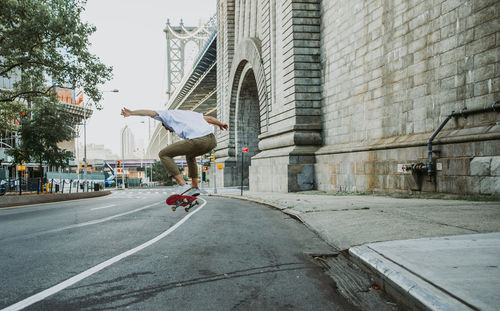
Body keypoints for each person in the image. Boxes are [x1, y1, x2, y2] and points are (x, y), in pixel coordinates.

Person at [121, 108, 228, 196]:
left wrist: (132, 113)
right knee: (190, 157)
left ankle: (182, 184)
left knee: (163, 154)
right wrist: (220, 124)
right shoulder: (190, 114)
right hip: (212, 141)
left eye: (167, 129)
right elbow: (209, 118)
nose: (170, 131)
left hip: (198, 141)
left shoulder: (166, 115)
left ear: (164, 123)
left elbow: (149, 112)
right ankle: (195, 187)